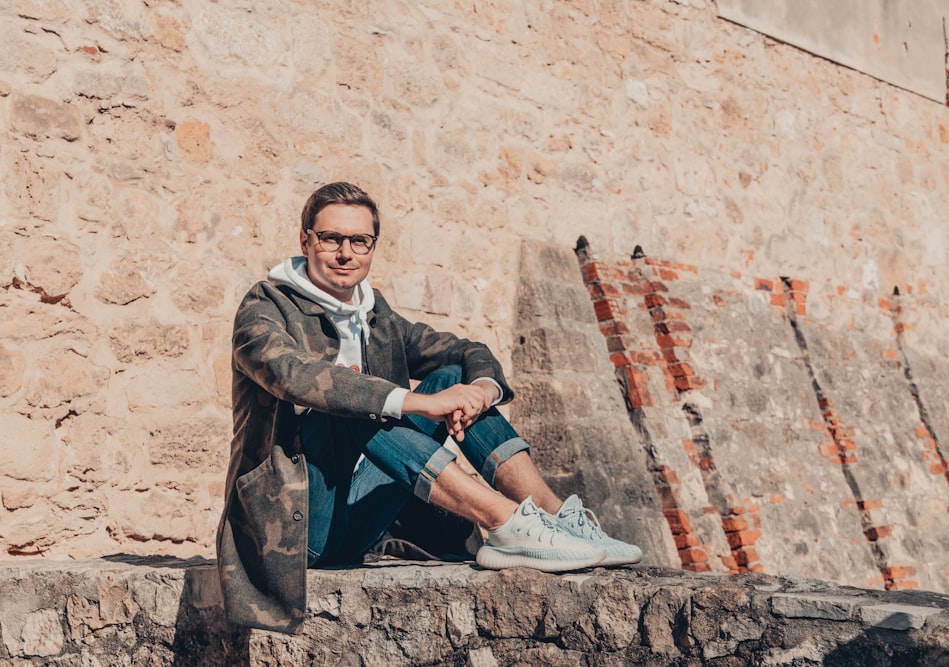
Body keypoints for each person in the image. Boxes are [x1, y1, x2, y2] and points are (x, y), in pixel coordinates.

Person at [216, 182, 642, 633]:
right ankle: (503, 522)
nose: (346, 252)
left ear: (372, 246)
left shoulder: (375, 316)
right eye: (331, 238)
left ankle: (557, 518)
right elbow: (293, 376)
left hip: (361, 520)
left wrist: (478, 389)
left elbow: (465, 350)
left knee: (454, 377)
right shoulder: (265, 306)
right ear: (306, 240)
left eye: (359, 241)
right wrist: (419, 403)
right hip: (295, 530)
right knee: (351, 401)